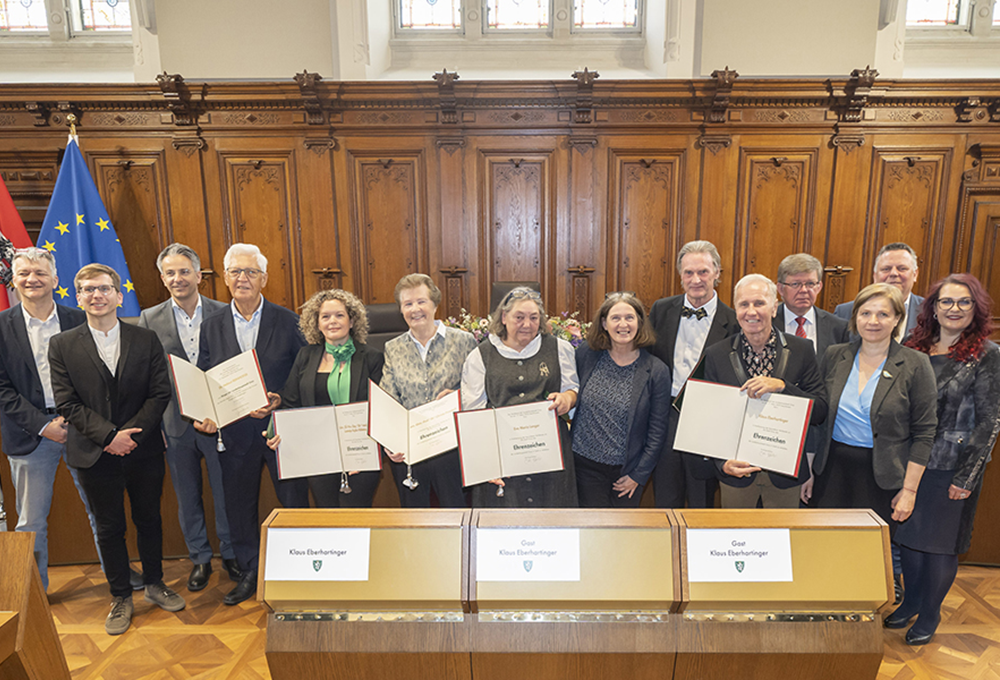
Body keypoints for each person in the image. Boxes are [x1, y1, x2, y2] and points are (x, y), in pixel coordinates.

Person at [49, 264, 182, 636]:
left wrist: (131, 437)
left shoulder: (145, 338)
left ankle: (155, 583)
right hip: (94, 453)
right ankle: (121, 595)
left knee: (149, 520)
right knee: (109, 528)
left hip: (143, 450)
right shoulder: (61, 344)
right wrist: (110, 437)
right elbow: (68, 403)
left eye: (104, 288)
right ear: (78, 297)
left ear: (119, 295)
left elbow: (160, 393)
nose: (97, 295)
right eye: (88, 289)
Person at [887, 274, 1000, 645]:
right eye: (946, 302)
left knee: (939, 546)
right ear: (932, 308)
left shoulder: (988, 355)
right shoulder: (913, 346)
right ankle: (911, 603)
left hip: (951, 466)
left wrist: (966, 477)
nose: (954, 309)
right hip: (910, 463)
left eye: (963, 302)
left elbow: (990, 420)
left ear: (975, 309)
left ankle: (930, 612)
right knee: (909, 542)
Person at [195, 243, 307, 606]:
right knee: (239, 507)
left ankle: (298, 572)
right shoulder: (211, 325)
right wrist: (206, 412)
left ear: (264, 279)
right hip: (234, 434)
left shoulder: (287, 319)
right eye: (236, 272)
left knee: (292, 502)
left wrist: (280, 398)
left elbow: (301, 370)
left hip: (280, 432)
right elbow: (204, 376)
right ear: (225, 278)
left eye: (251, 272)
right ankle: (250, 573)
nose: (243, 278)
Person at [0, 248, 106, 591]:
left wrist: (75, 420)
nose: (32, 279)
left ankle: (117, 579)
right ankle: (33, 592)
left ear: (55, 281)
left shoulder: (79, 320)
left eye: (40, 273)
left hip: (81, 429)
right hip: (30, 435)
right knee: (30, 522)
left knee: (101, 510)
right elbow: (1, 388)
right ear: (13, 281)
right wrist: (43, 425)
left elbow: (98, 377)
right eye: (24, 274)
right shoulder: (1, 327)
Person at [812, 283, 937, 570]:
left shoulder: (915, 364)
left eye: (883, 314)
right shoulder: (834, 355)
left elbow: (925, 432)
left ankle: (863, 613)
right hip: (830, 472)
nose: (873, 321)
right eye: (865, 313)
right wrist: (808, 470)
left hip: (882, 477)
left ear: (897, 319)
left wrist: (909, 491)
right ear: (855, 317)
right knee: (825, 549)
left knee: (866, 557)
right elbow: (817, 418)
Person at [138, 244, 239, 593]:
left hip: (219, 421)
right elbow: (150, 376)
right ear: (163, 278)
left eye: (184, 271)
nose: (177, 278)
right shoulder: (149, 318)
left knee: (225, 491)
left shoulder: (225, 312)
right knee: (187, 495)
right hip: (175, 424)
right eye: (170, 273)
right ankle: (199, 557)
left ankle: (229, 552)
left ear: (199, 275)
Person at [704, 275, 828, 508]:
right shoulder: (716, 354)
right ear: (736, 310)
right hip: (737, 473)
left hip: (785, 474)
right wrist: (722, 463)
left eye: (759, 303)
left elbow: (820, 410)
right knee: (736, 541)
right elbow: (709, 419)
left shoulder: (801, 349)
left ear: (774, 308)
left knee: (781, 540)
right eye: (744, 304)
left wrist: (783, 386)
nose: (751, 311)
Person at [461, 287, 579, 507]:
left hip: (551, 457)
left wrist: (567, 399)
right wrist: (485, 464)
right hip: (502, 459)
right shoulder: (480, 355)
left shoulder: (560, 349)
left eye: (534, 318)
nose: (527, 324)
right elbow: (473, 413)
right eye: (519, 317)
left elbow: (573, 389)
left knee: (553, 524)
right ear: (504, 317)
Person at [266, 289, 384, 507]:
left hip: (360, 456)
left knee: (357, 518)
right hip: (318, 455)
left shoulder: (372, 358)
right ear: (317, 323)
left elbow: (381, 410)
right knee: (326, 515)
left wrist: (363, 450)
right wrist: (275, 430)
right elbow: (291, 401)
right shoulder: (306, 356)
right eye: (325, 316)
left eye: (340, 315)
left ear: (352, 321)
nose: (333, 321)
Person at [648, 240, 739, 508]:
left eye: (703, 272)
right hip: (665, 416)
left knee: (702, 499)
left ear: (717, 273)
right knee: (665, 495)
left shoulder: (734, 321)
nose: (696, 279)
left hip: (708, 421)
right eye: (688, 272)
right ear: (680, 275)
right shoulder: (661, 310)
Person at [379, 274, 476, 507]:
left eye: (421, 301)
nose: (415, 309)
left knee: (457, 516)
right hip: (410, 453)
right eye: (408, 304)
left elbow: (479, 391)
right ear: (401, 310)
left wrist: (459, 397)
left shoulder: (464, 341)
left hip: (452, 451)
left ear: (435, 303)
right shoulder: (393, 348)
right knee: (415, 523)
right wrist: (388, 442)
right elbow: (387, 399)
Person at [573, 292, 670, 507]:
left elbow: (657, 431)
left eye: (630, 317)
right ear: (604, 323)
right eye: (615, 318)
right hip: (584, 468)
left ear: (639, 323)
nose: (623, 324)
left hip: (627, 473)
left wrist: (639, 475)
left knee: (621, 535)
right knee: (591, 532)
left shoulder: (656, 371)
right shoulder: (586, 355)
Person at [773, 253, 849, 504]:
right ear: (780, 288)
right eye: (795, 284)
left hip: (821, 430)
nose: (804, 290)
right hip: (773, 427)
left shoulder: (839, 327)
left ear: (820, 286)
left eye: (810, 283)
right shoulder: (764, 321)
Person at [835, 242, 924, 337]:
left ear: (915, 274)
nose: (893, 273)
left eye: (902, 268)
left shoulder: (929, 311)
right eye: (886, 269)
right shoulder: (845, 312)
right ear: (875, 276)